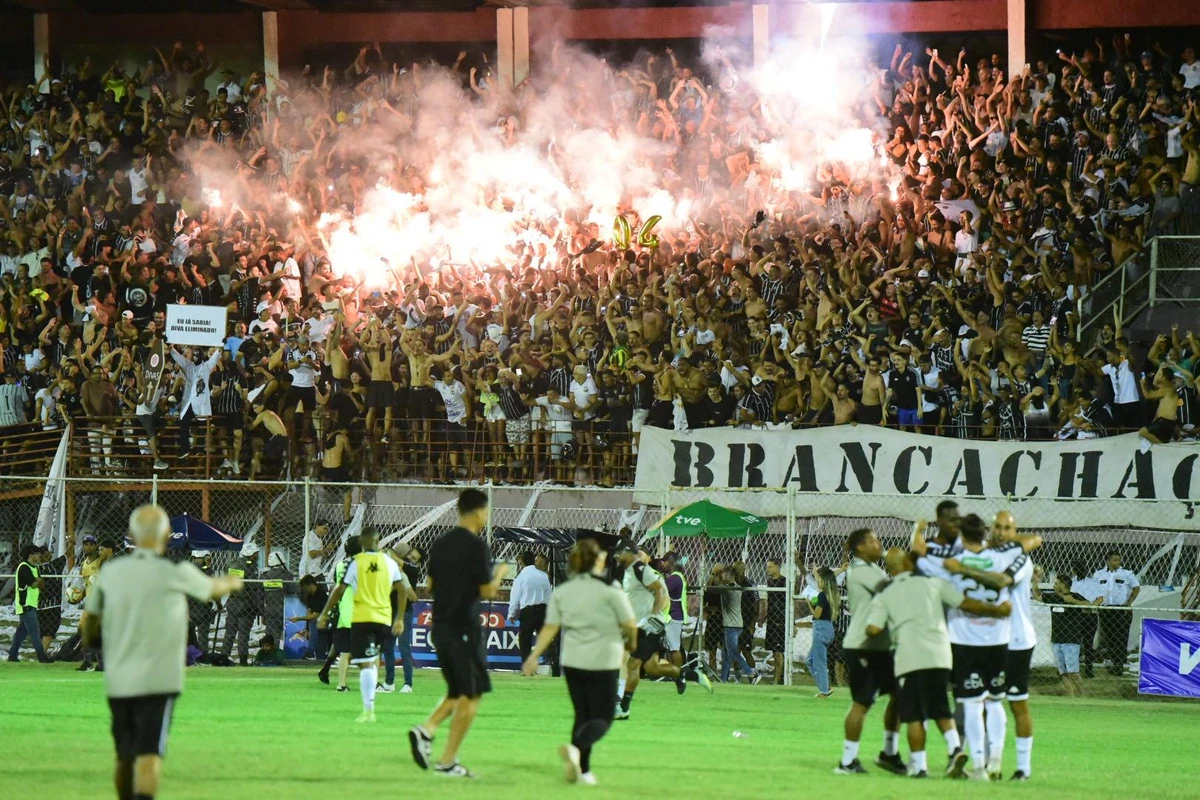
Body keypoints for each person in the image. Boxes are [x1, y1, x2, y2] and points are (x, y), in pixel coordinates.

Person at [79, 504, 244, 800]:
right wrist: (233, 580)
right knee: (150, 753)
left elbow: (89, 621)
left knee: (124, 755)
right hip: (159, 679)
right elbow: (212, 588)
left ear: (131, 535)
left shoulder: (112, 573)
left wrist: (95, 642)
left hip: (120, 676)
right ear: (168, 534)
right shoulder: (174, 572)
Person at [864, 548, 1011, 780]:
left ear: (890, 570)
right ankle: (955, 749)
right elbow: (966, 603)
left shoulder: (886, 594)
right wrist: (997, 611)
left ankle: (919, 767)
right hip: (941, 656)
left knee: (914, 715)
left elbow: (873, 629)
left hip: (910, 658)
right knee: (941, 706)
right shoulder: (933, 583)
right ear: (909, 565)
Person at [409, 488, 508, 779]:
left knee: (457, 691)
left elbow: (429, 585)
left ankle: (426, 732)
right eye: (486, 511)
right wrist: (501, 571)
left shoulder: (439, 544)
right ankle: (448, 761)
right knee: (472, 694)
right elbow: (488, 590)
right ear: (479, 511)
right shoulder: (476, 546)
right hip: (462, 627)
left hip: (439, 626)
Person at [522, 538, 637, 786]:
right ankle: (577, 749)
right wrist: (631, 643)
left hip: (573, 661)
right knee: (604, 717)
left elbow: (550, 627)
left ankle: (583, 771)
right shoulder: (610, 589)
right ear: (599, 560)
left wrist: (533, 656)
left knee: (582, 714)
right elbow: (629, 623)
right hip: (603, 660)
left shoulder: (564, 591)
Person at [941, 513, 1030, 780]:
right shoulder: (1002, 559)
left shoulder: (954, 562)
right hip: (998, 640)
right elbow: (1015, 561)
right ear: (985, 533)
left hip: (964, 640)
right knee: (994, 702)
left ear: (962, 536)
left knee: (970, 704)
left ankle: (978, 766)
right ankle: (995, 760)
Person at [317, 528, 407, 722]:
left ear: (364, 543)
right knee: (374, 658)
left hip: (361, 618)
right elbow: (402, 590)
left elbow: (338, 590)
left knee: (364, 663)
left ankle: (369, 710)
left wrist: (324, 613)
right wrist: (399, 618)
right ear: (378, 541)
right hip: (383, 618)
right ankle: (371, 697)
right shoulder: (389, 562)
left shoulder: (355, 564)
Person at [836, 528, 904, 777]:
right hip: (863, 645)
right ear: (861, 547)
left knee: (899, 695)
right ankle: (847, 760)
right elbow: (893, 590)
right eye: (875, 541)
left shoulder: (872, 569)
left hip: (881, 647)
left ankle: (889, 752)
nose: (880, 544)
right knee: (862, 702)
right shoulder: (862, 571)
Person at [617, 544, 711, 718]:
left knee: (633, 664)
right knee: (652, 667)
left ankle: (623, 707)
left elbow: (662, 594)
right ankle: (688, 674)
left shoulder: (647, 572)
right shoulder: (635, 572)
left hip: (654, 624)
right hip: (646, 624)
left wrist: (653, 617)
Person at [318, 536, 362, 690]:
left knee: (344, 651)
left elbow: (339, 588)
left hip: (344, 613)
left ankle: (341, 684)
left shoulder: (340, 565)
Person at [1092, 550, 1140, 676]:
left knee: (1121, 637)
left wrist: (1128, 603)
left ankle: (1119, 665)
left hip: (1122, 610)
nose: (1117, 562)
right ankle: (1113, 662)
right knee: (1109, 637)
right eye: (1114, 560)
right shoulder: (1099, 574)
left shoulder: (1126, 573)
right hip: (1106, 610)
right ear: (1107, 560)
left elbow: (1136, 588)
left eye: (1118, 560)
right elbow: (1094, 589)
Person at [6, 545, 52, 663]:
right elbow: (34, 584)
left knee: (21, 632)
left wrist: (38, 581)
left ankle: (12, 655)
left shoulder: (34, 568)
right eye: (37, 553)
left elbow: (41, 585)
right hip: (25, 604)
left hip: (31, 604)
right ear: (30, 555)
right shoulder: (24, 567)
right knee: (35, 631)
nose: (39, 556)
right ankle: (42, 656)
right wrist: (38, 581)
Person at [508, 550, 553, 666]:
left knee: (525, 641)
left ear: (522, 561)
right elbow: (549, 596)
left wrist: (511, 614)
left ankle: (527, 669)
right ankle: (554, 667)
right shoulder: (543, 576)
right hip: (543, 611)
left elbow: (515, 598)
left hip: (528, 612)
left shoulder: (521, 577)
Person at [715, 564, 758, 684]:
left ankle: (751, 673)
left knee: (733, 653)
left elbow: (713, 586)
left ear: (729, 575)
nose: (722, 575)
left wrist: (716, 574)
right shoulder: (734, 587)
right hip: (734, 625)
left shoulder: (729, 588)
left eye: (724, 573)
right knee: (726, 654)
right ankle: (723, 679)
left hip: (731, 626)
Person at [807, 566, 839, 698]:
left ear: (823, 580)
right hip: (828, 628)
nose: (817, 580)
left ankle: (824, 691)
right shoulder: (832, 595)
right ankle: (825, 685)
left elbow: (817, 614)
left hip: (820, 628)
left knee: (818, 661)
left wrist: (808, 603)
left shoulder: (821, 596)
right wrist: (815, 572)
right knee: (809, 660)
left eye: (818, 578)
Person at [762, 558, 787, 685]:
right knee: (774, 650)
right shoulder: (770, 582)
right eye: (768, 566)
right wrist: (764, 617)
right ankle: (779, 676)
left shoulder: (784, 582)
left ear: (777, 567)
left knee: (779, 651)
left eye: (770, 567)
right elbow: (769, 601)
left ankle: (777, 679)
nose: (768, 569)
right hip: (771, 621)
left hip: (780, 622)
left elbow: (788, 604)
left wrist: (788, 622)